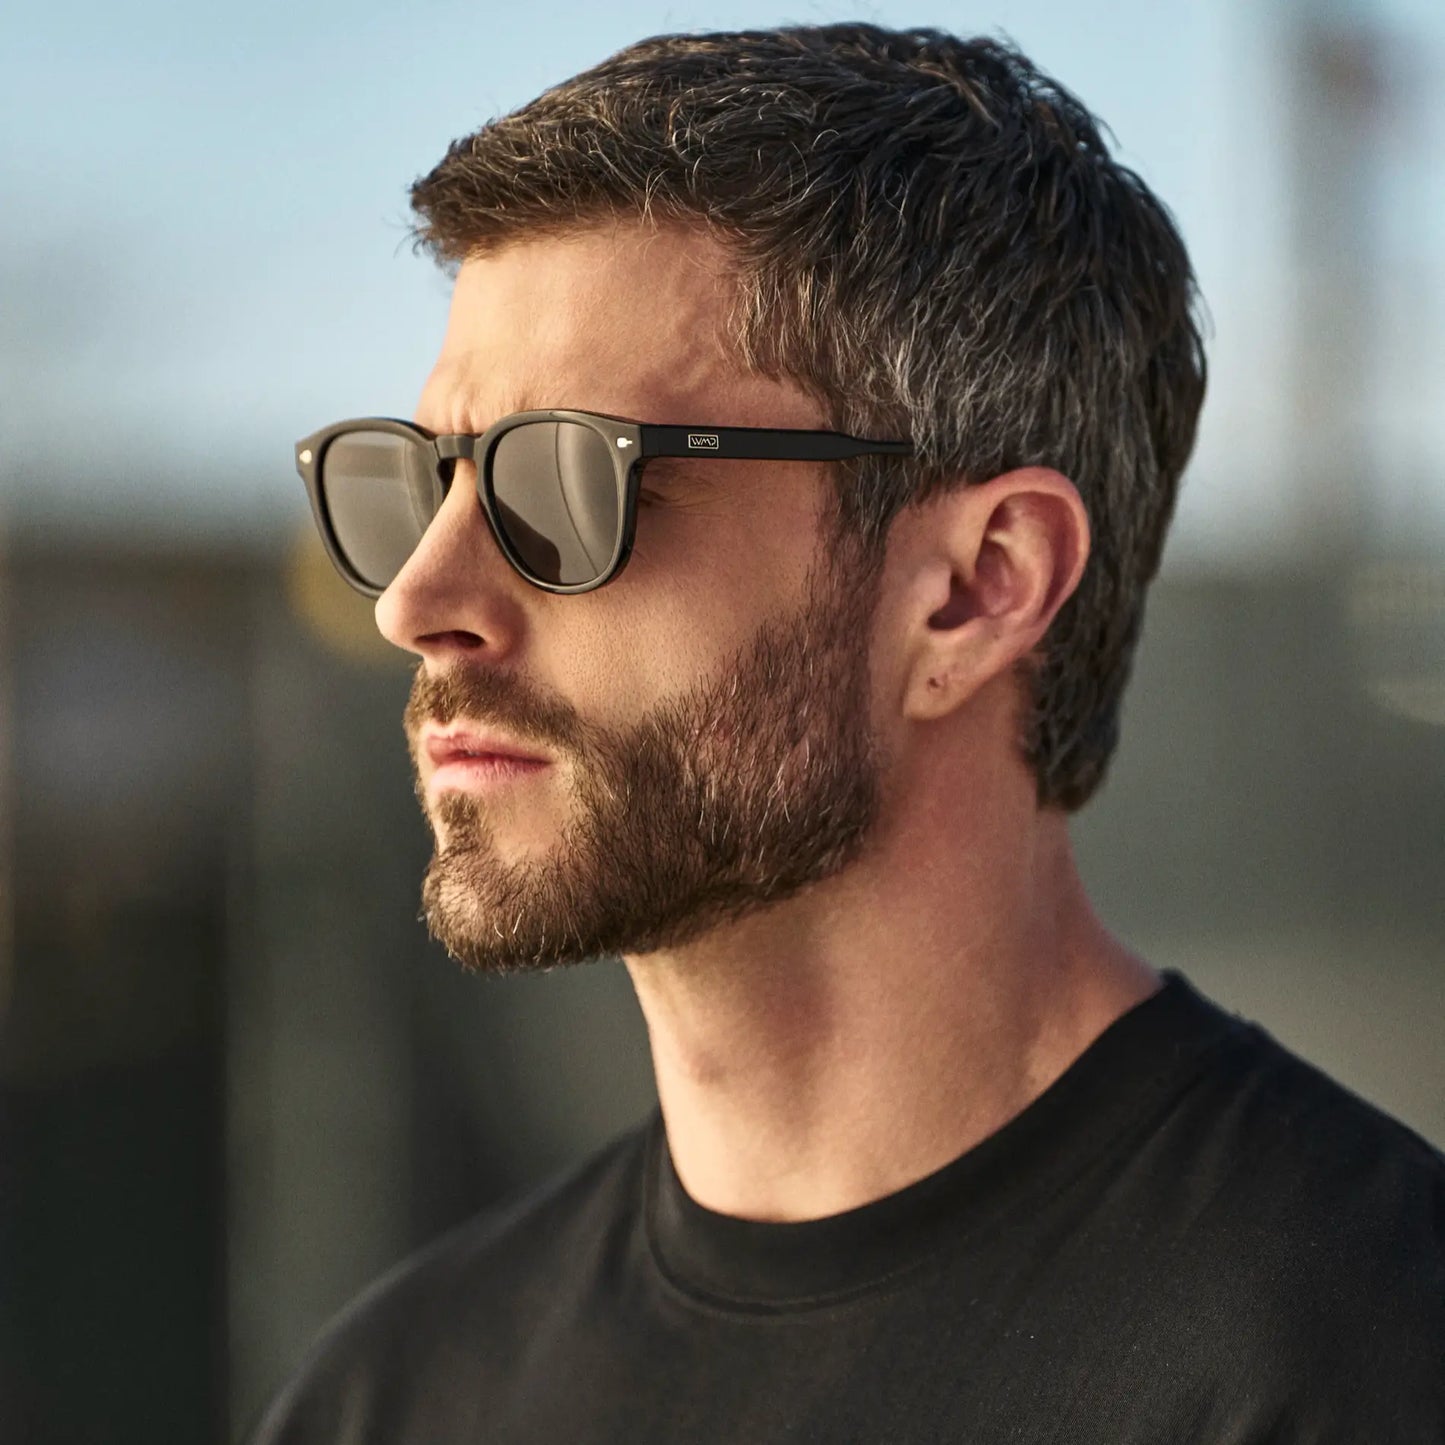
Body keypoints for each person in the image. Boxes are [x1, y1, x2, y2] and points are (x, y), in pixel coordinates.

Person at [261, 23, 1444, 1443]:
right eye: (424, 478)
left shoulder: (1359, 1348)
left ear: (974, 587)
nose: (418, 600)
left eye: (564, 481)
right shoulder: (391, 1393)